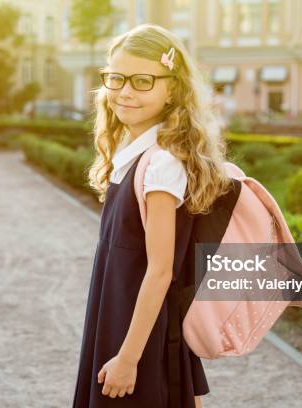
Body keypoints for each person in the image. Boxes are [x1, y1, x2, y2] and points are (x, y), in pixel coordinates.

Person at [73, 23, 233, 408]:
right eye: (116, 78)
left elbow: (161, 271)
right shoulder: (132, 157)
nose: (125, 91)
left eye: (143, 80)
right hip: (120, 318)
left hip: (138, 335)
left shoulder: (161, 165)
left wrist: (129, 358)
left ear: (172, 89)